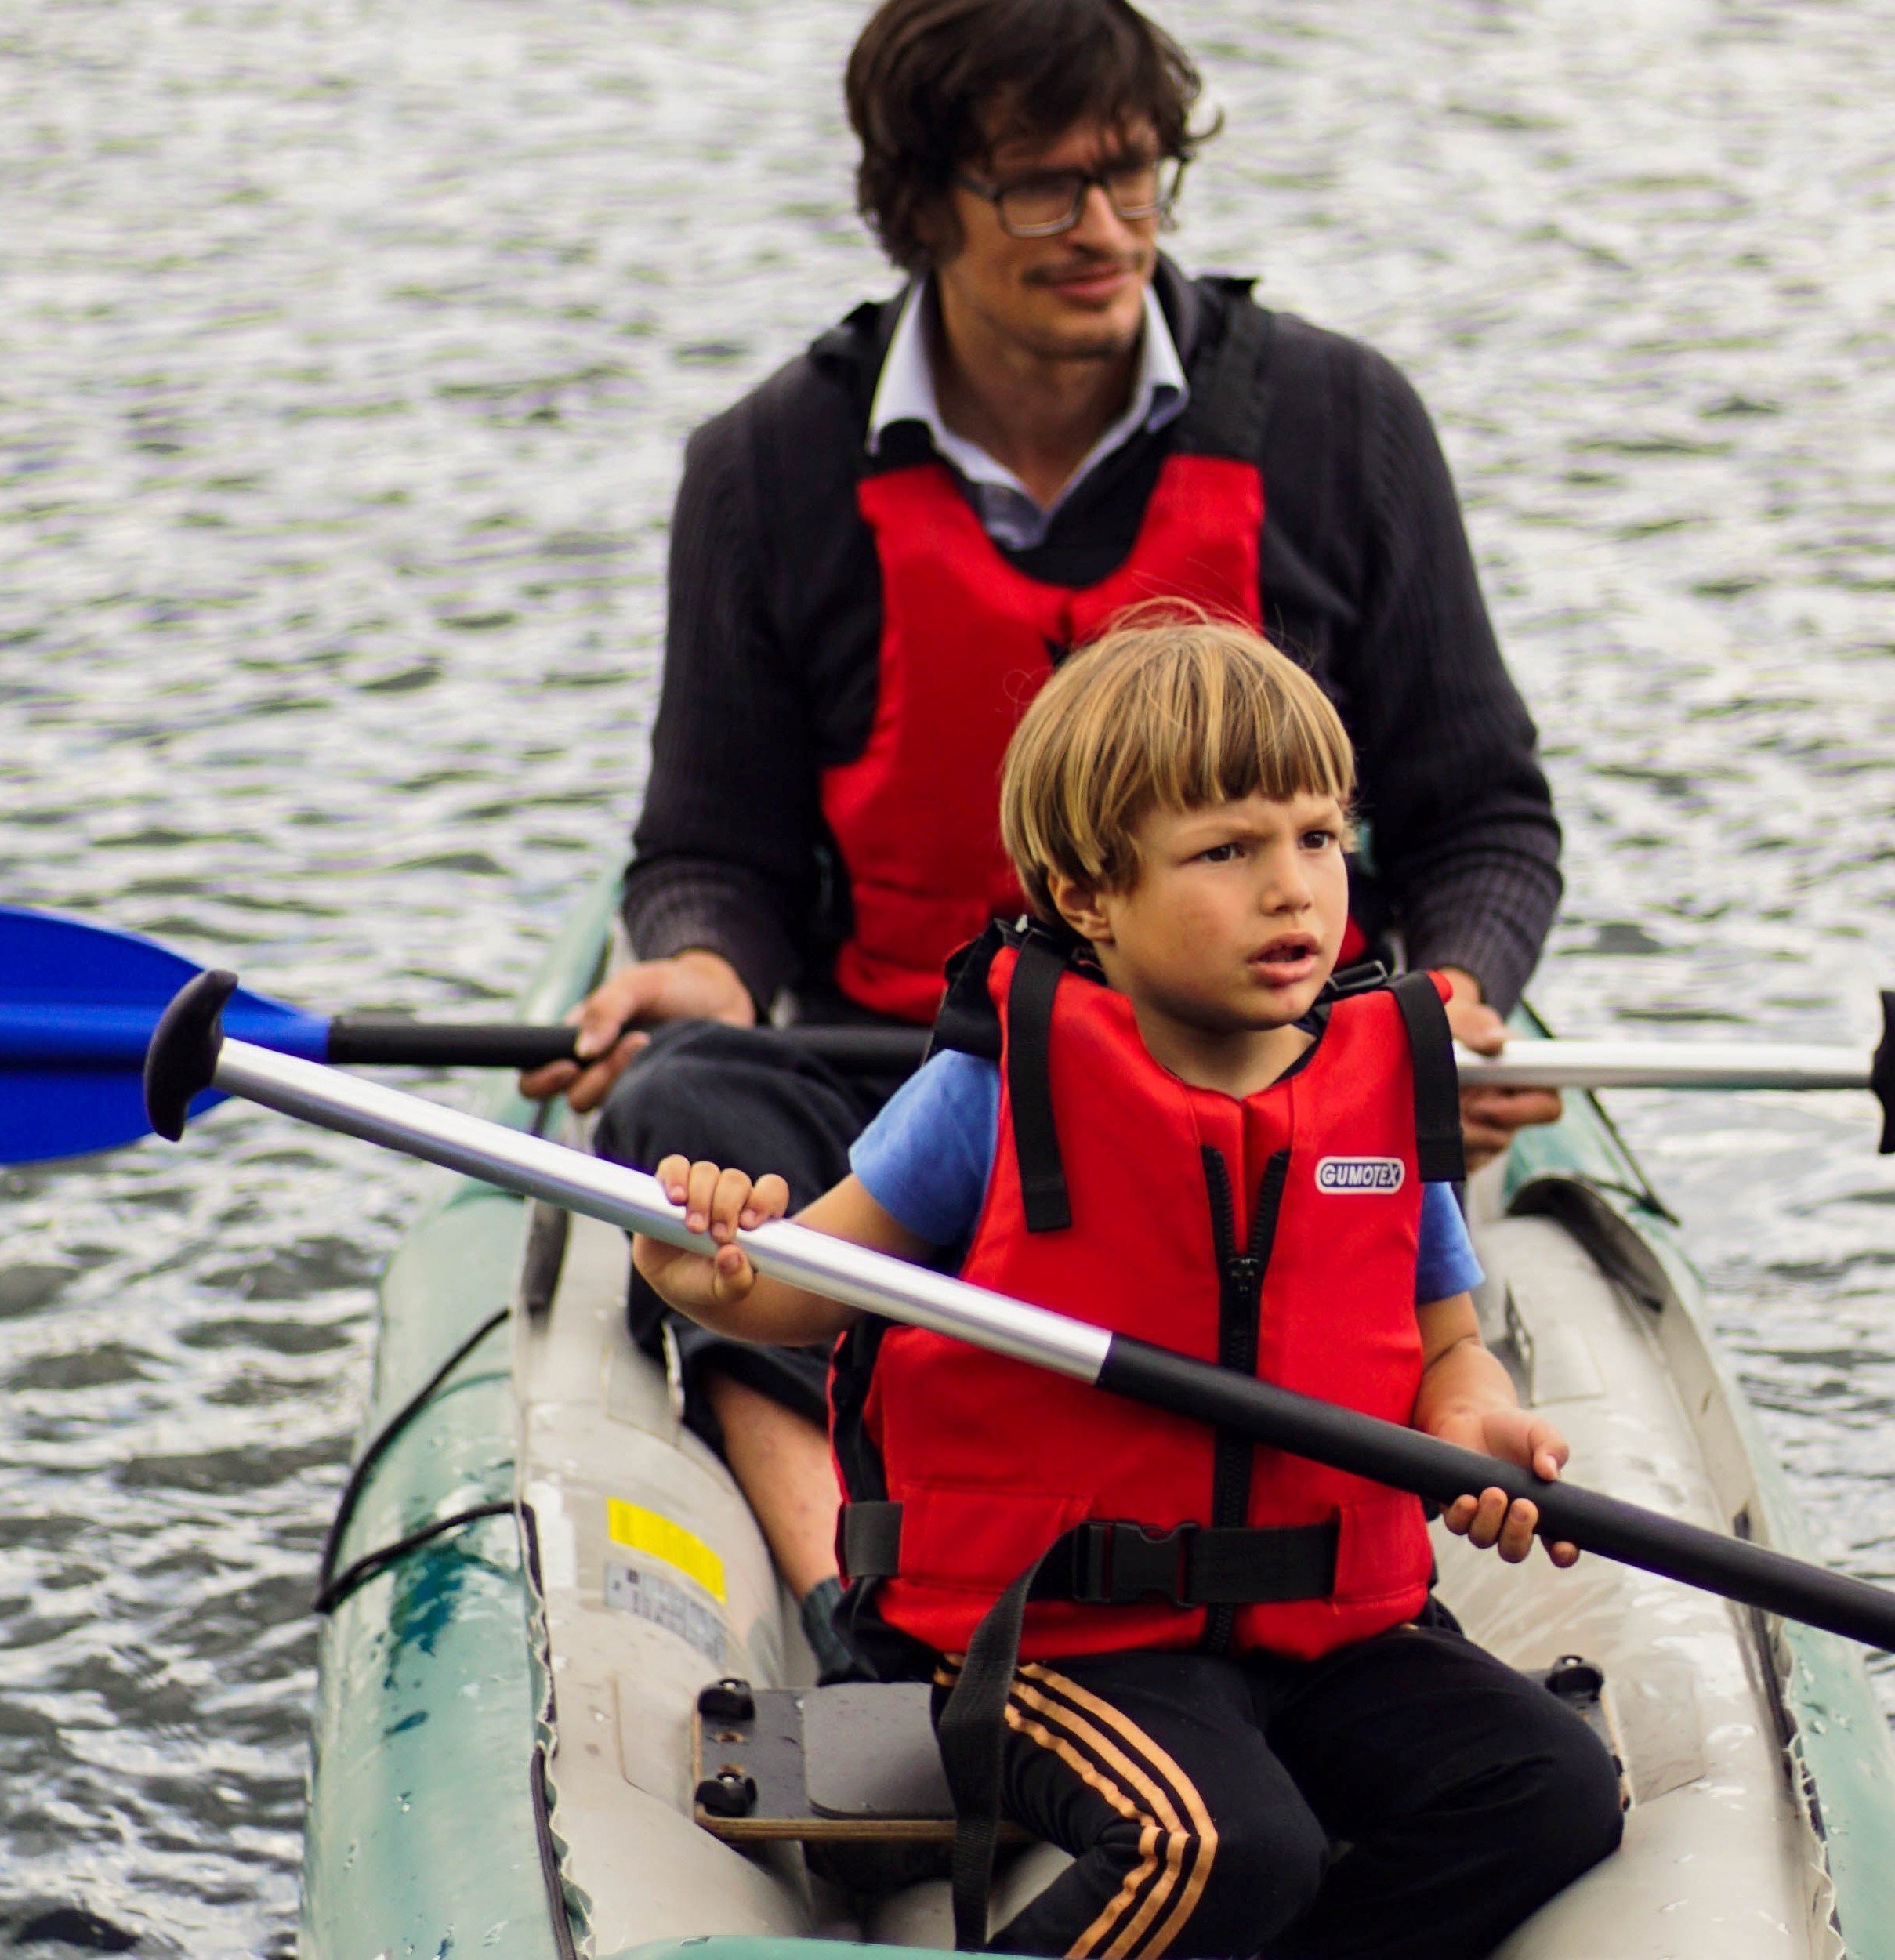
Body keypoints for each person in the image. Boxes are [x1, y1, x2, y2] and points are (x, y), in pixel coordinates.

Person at [521, 0, 1568, 1665]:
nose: (1104, 233)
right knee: (679, 1095)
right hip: (920, 1062)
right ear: (919, 198)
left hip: (1265, 1066)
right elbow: (706, 845)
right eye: (1040, 189)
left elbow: (1484, 815)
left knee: (1374, 1078)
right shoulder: (767, 464)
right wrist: (705, 964)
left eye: (1135, 176)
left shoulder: (1338, 420)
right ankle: (835, 1603)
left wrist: (1446, 995)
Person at [632, 619, 1622, 1960]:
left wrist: (1474, 1425)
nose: (1292, 890)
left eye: (1319, 839)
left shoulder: (1380, 1084)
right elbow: (813, 1292)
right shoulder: (992, 1092)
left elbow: (1449, 1344)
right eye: (1227, 850)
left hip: (1329, 1630)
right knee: (1210, 1843)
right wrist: (712, 1272)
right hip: (1058, 1633)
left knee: (1548, 1790)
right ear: (1089, 893)